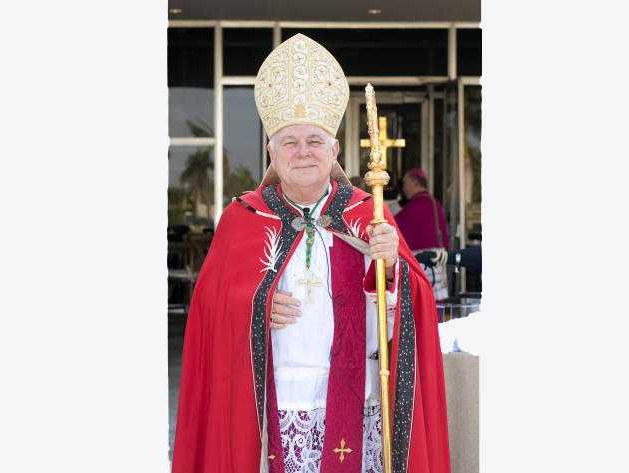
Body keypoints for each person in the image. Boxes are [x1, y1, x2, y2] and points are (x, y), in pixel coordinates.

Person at [172, 34, 450, 473]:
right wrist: (254, 305)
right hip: (272, 408)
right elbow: (207, 315)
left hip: (359, 402)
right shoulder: (242, 219)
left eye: (315, 141)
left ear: (335, 150)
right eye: (289, 141)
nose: (303, 152)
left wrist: (393, 266)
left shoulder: (369, 213)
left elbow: (416, 305)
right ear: (271, 152)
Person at [394, 168, 451, 301]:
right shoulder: (435, 203)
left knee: (421, 300)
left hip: (420, 260)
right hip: (438, 258)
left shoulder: (413, 207)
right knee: (436, 302)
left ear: (415, 183)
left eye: (405, 184)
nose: (403, 188)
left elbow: (393, 227)